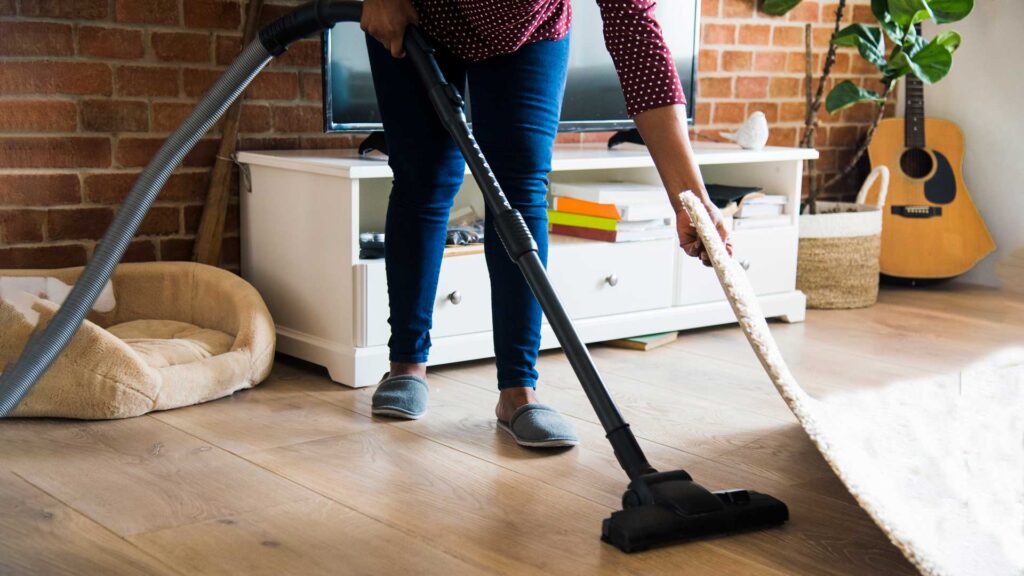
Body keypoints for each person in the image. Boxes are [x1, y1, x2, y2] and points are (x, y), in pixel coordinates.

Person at [362, 0, 731, 447]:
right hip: (421, 11)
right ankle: (406, 364)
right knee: (425, 177)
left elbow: (639, 44)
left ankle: (518, 390)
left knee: (518, 188)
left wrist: (689, 198)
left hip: (528, 28)